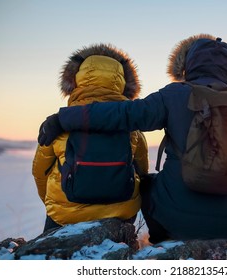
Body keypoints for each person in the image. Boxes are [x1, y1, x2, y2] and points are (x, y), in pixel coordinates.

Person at [37, 34, 227, 253]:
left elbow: (122, 114)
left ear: (188, 65)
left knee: (147, 183)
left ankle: (161, 239)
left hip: (178, 220)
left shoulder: (174, 96)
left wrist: (63, 119)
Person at [32, 43, 149, 232]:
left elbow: (39, 171)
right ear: (123, 83)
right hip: (121, 213)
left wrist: (55, 202)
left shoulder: (60, 123)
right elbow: (141, 170)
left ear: (75, 80)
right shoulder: (131, 127)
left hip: (65, 214)